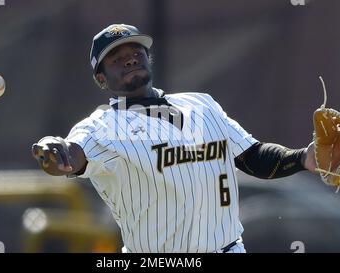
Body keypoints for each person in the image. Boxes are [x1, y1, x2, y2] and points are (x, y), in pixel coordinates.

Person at [32, 23, 317, 253]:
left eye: (136, 52)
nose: (130, 58)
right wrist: (55, 150)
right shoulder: (102, 126)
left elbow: (253, 157)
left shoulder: (202, 105)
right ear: (101, 79)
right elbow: (72, 153)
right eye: (117, 59)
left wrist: (305, 158)